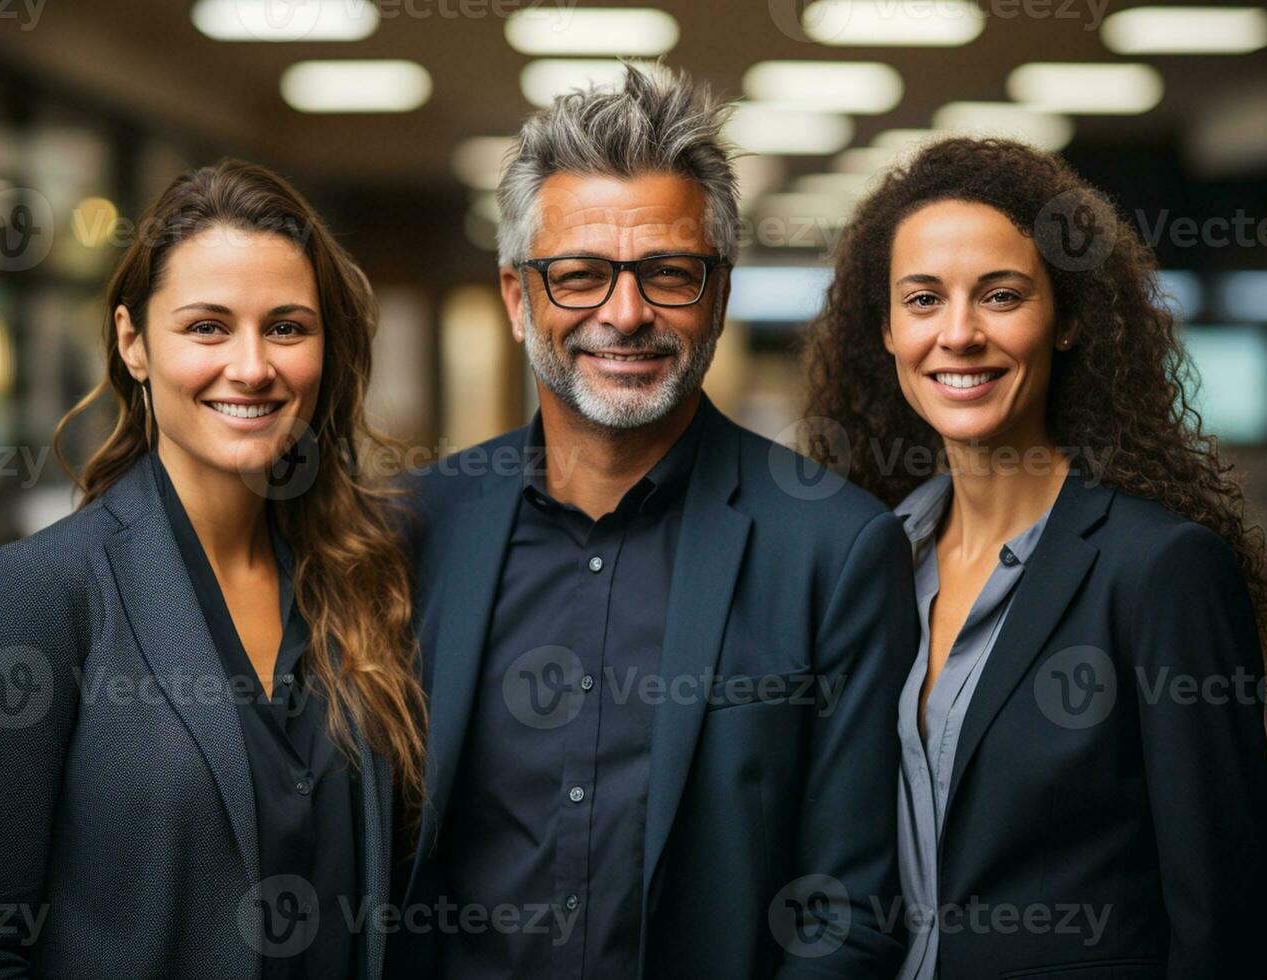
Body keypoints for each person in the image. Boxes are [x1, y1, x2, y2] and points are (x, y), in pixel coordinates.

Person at [387, 64, 915, 980]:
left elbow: (847, 909)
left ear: (717, 294)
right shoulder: (412, 529)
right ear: (519, 299)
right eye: (581, 275)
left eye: (668, 274)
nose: (624, 315)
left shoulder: (834, 549)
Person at [804, 136, 1267, 979]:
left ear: (1068, 318)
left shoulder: (1162, 570)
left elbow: (1225, 927)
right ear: (885, 329)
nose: (958, 334)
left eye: (1000, 295)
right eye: (923, 299)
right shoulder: (870, 558)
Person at [0, 159, 424, 979]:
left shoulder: (355, 580)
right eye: (207, 327)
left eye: (288, 327)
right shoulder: (45, 595)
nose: (254, 366)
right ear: (134, 342)